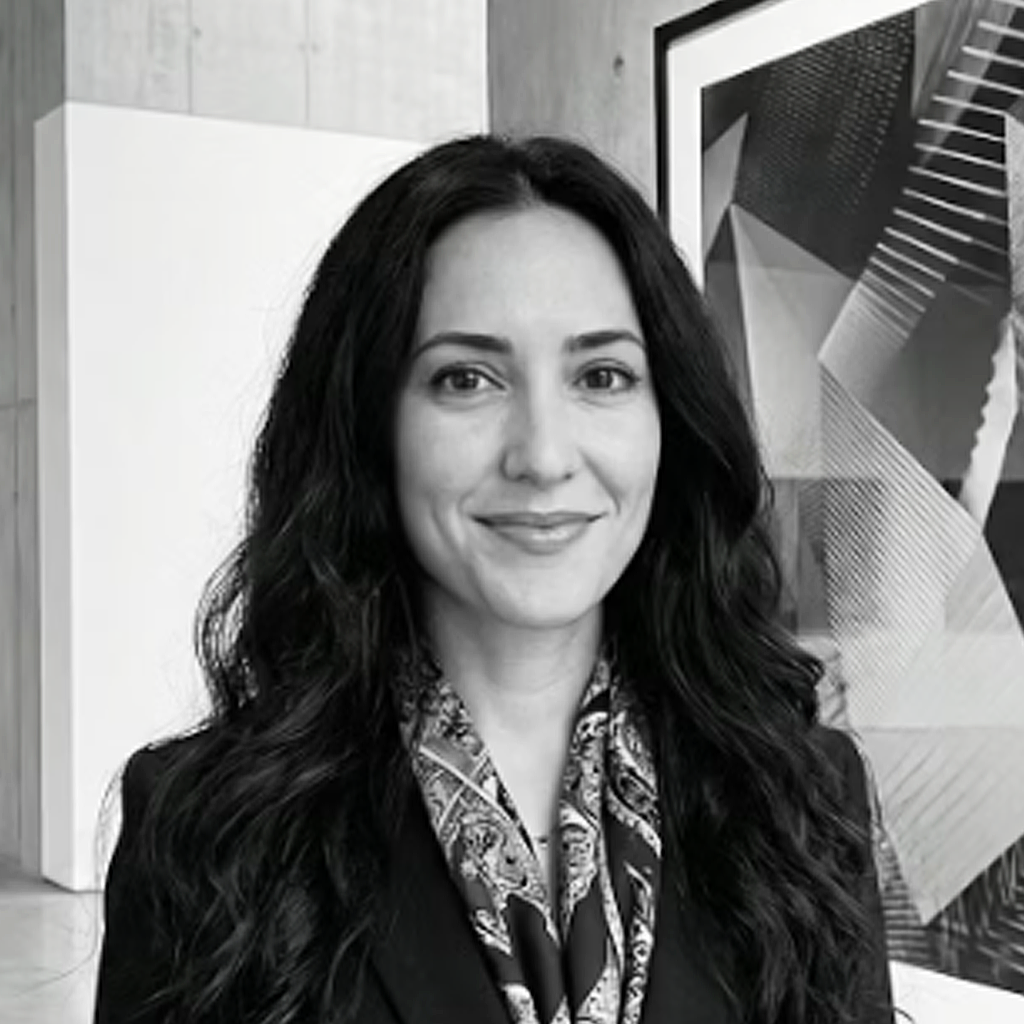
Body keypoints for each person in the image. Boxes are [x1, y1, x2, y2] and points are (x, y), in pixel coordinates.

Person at [93, 134, 894, 1024]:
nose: (544, 455)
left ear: (669, 419)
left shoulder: (802, 799)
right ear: (370, 424)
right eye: (466, 378)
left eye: (602, 375)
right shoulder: (209, 829)